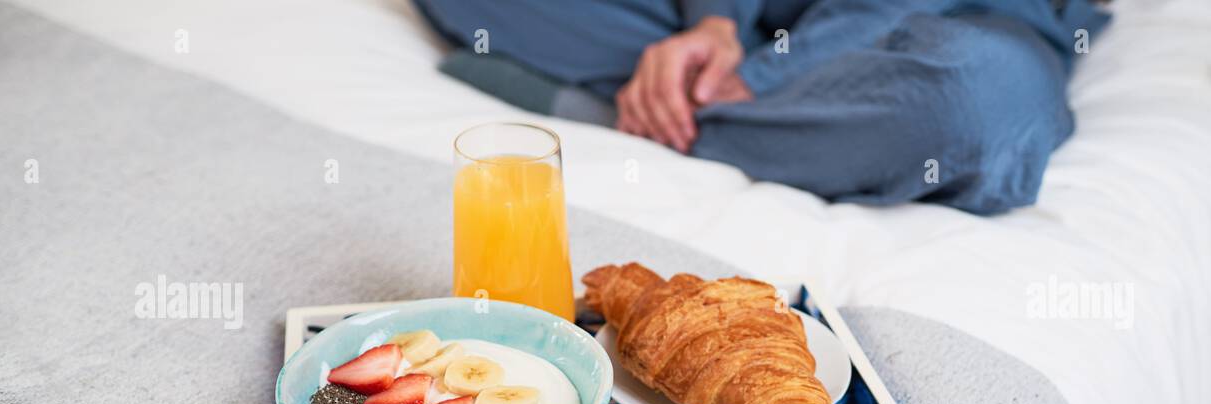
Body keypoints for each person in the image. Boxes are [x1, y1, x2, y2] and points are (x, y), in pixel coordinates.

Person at [414, 1, 1110, 214]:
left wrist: (762, 71)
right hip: (760, 19)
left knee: (971, 105)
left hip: (963, 24)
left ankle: (649, 111)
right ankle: (678, 85)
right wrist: (715, 24)